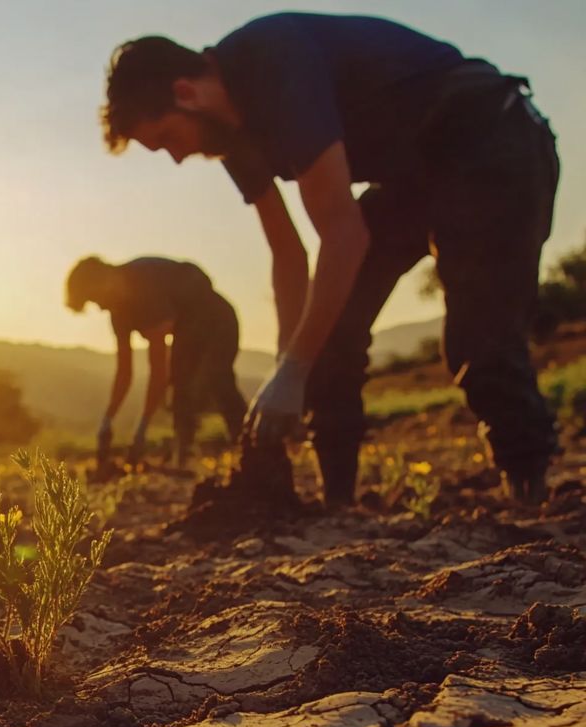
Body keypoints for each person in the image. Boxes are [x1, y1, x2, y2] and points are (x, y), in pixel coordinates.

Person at [100, 13, 560, 503]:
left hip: (491, 140)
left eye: (167, 138)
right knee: (323, 336)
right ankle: (337, 501)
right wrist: (287, 363)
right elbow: (287, 252)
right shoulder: (230, 140)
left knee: (478, 336)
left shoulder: (274, 61)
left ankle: (529, 490)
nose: (175, 157)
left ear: (185, 93)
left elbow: (343, 233)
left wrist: (293, 369)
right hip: (413, 178)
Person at [65, 255, 247, 466]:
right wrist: (107, 421)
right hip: (187, 329)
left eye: (95, 298)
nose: (99, 307)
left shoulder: (142, 287)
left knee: (214, 380)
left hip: (218, 320)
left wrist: (142, 428)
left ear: (104, 280)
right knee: (180, 386)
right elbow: (124, 372)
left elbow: (158, 370)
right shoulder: (118, 315)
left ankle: (249, 450)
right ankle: (184, 455)